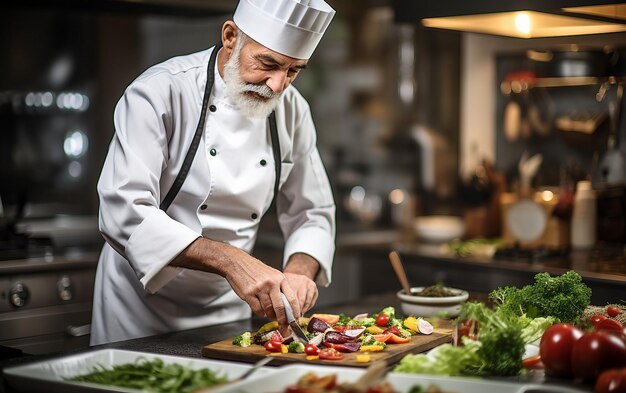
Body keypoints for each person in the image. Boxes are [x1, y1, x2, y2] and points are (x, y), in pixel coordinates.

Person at [90, 0, 337, 345]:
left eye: (294, 71)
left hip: (227, 309)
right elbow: (123, 213)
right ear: (231, 36)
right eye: (267, 63)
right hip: (139, 308)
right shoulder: (160, 91)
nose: (278, 85)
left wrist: (299, 272)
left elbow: (312, 212)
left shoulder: (293, 110)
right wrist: (233, 261)